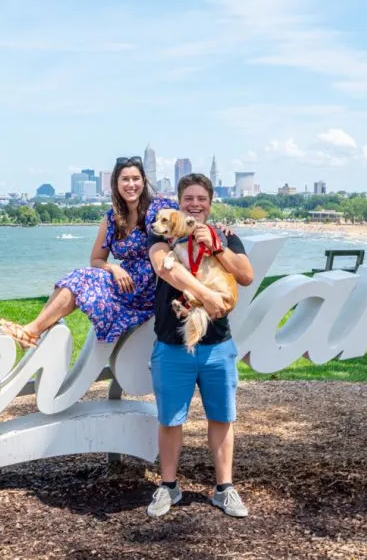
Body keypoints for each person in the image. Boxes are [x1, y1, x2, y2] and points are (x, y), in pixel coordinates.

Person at [145, 173, 254, 519]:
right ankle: (168, 486)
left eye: (201, 199)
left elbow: (246, 276)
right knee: (170, 419)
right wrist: (206, 296)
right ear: (179, 203)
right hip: (171, 344)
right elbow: (166, 270)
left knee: (222, 417)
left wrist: (218, 247)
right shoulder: (162, 232)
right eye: (188, 198)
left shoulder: (224, 236)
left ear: (210, 202)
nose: (195, 204)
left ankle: (225, 489)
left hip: (218, 345)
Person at [0, 156, 177, 348]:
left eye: (136, 178)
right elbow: (96, 260)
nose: (131, 184)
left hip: (151, 289)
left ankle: (31, 332)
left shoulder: (159, 208)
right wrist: (114, 269)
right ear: (116, 183)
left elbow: (181, 233)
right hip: (125, 284)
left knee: (80, 278)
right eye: (125, 179)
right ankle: (33, 330)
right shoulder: (113, 219)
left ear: (144, 181)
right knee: (78, 278)